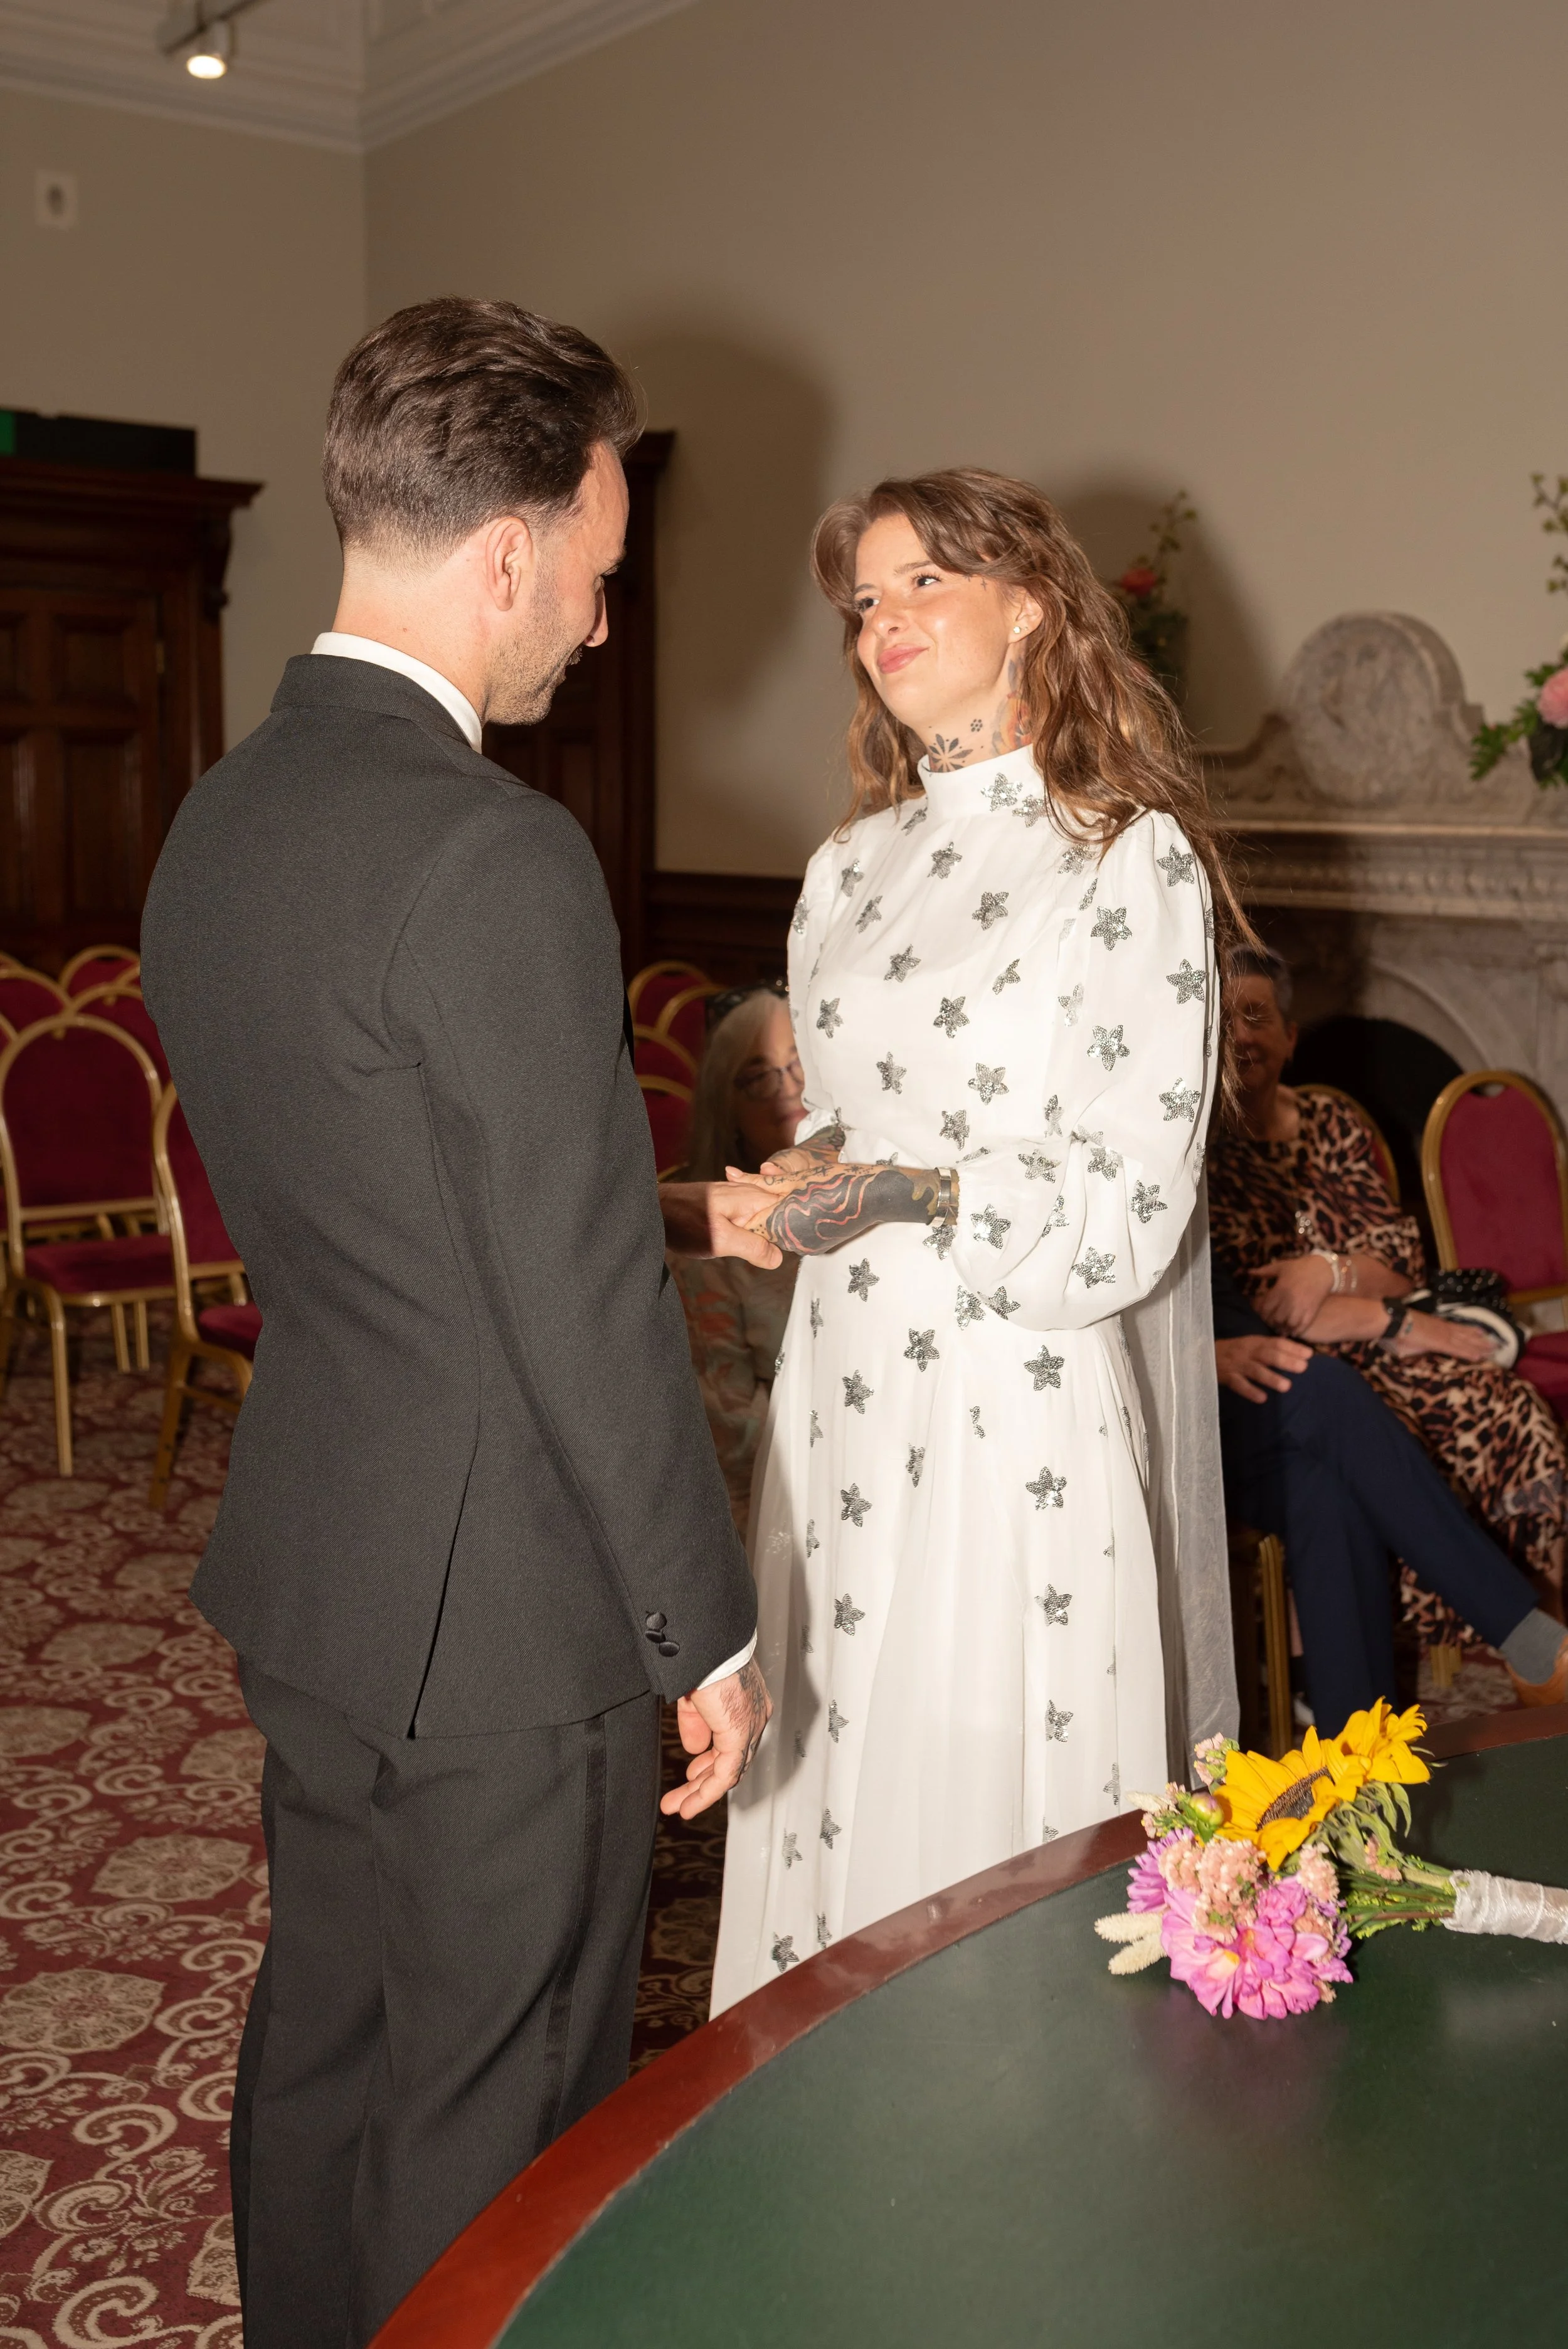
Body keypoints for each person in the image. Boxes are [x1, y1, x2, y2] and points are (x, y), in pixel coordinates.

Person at [140, 299, 775, 2349]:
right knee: (493, 2118)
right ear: (505, 552)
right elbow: (575, 1294)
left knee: (324, 2042)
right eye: (591, 578)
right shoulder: (496, 852)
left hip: (318, 1564)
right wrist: (711, 1630)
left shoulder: (220, 821)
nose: (590, 628)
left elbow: (398, 1189)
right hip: (510, 1620)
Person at [709, 467, 1244, 2011]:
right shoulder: (847, 869)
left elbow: (1129, 1194)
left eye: (924, 582)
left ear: (1029, 604)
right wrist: (794, 1179)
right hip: (845, 1381)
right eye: (865, 600)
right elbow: (858, 1125)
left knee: (972, 1733)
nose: (884, 621)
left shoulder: (1121, 860)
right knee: (839, 1728)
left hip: (1014, 1386)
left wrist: (899, 1195)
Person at [1208, 946, 1568, 1655]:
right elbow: (1261, 1307)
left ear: (1290, 1037)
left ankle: (1540, 1642)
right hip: (1313, 1370)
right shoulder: (1199, 1149)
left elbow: (1401, 1260)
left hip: (1378, 1345)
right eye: (1225, 1021)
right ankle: (1451, 1643)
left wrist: (1325, 1270)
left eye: (1258, 1016)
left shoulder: (1331, 1122)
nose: (1242, 1035)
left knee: (1508, 1406)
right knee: (1399, 1430)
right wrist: (1381, 1312)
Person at [1213, 1256, 1568, 1725]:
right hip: (1161, 1409)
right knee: (1324, 1387)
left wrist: (1332, 1271)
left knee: (1323, 1492)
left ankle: (1363, 1752)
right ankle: (1530, 1640)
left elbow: (1404, 1278)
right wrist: (1202, 1356)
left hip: (1251, 1409)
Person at [668, 986, 802, 1533]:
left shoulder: (869, 1194)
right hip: (778, 1500)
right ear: (729, 1107)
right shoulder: (705, 1242)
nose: (788, 1091)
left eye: (798, 1066)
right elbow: (732, 1432)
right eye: (760, 1076)